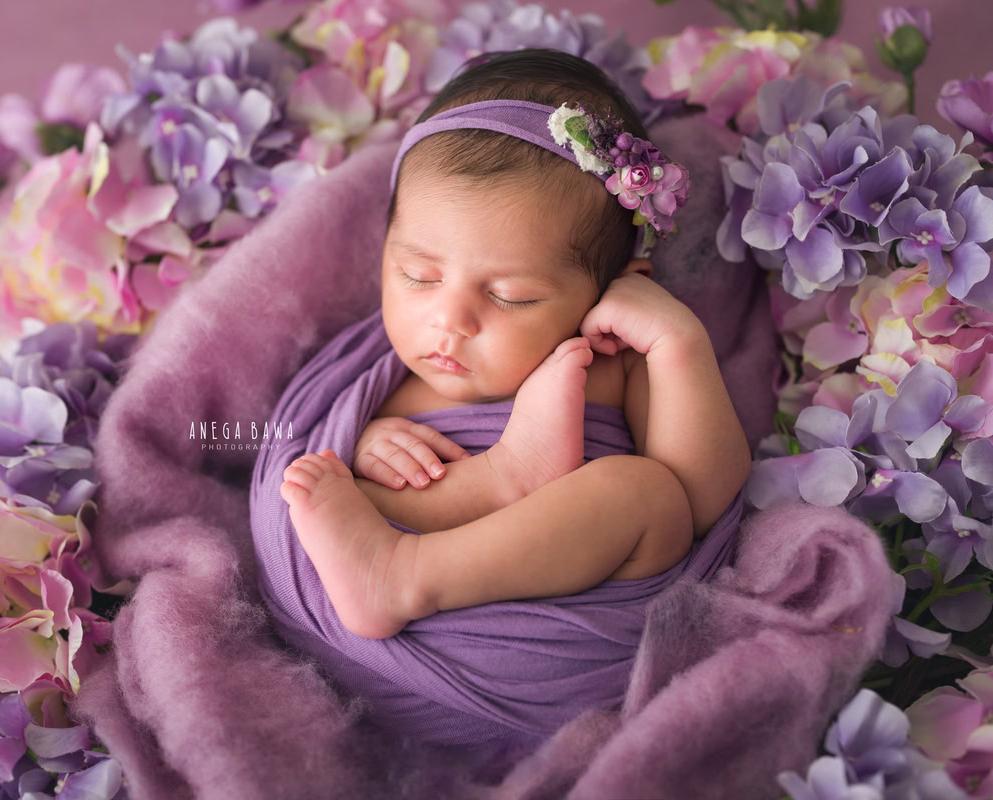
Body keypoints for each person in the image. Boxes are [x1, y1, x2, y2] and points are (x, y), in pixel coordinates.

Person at [278, 48, 752, 641]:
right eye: (418, 276)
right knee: (319, 485)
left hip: (545, 630)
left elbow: (703, 500)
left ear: (610, 293)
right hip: (369, 618)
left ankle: (409, 574)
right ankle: (409, 559)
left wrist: (677, 342)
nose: (449, 320)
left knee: (651, 496)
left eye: (512, 295)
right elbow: (297, 464)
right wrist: (361, 443)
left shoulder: (612, 359)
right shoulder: (378, 375)